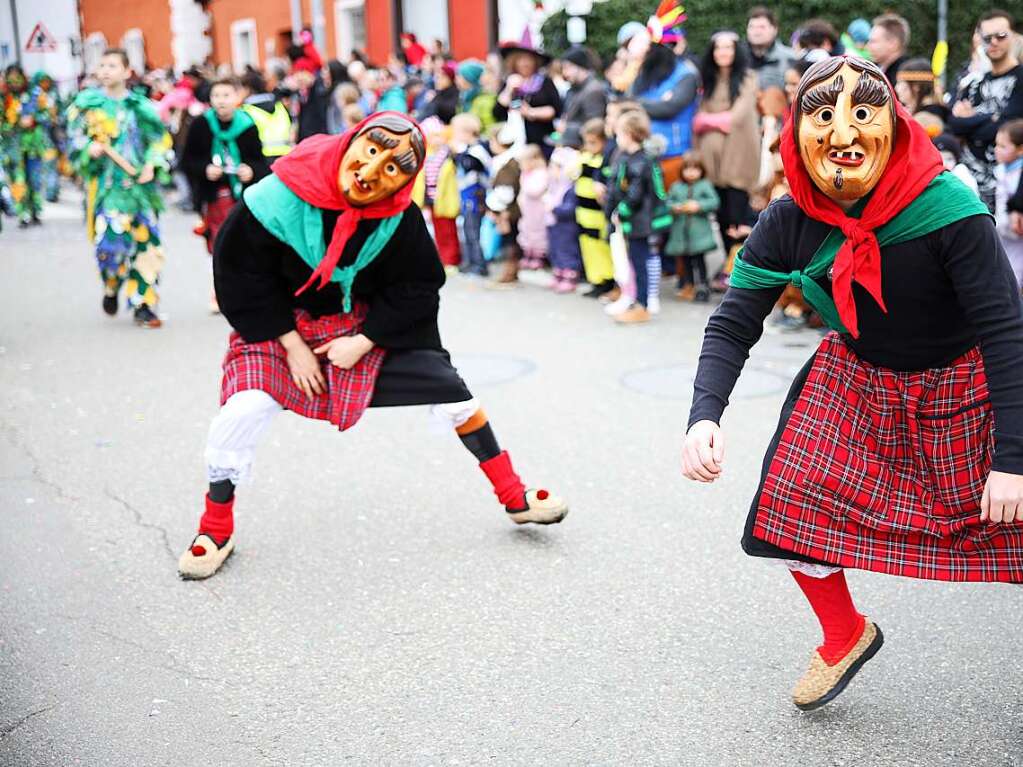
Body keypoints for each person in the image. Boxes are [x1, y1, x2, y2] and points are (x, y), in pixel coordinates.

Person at [685, 55, 1022, 711]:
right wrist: (703, 414)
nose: (842, 134)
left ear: (892, 124)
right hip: (860, 376)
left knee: (1012, 522)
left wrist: (1013, 458)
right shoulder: (786, 219)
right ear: (795, 133)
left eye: (863, 114)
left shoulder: (950, 209)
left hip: (966, 382)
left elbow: (1007, 333)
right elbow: (731, 323)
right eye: (822, 117)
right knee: (785, 507)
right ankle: (842, 634)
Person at [177, 112, 568, 580]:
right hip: (281, 329)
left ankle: (514, 496)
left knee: (454, 394)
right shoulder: (274, 196)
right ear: (350, 144)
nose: (367, 174)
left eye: (390, 170)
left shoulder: (398, 216)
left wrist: (362, 341)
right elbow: (239, 272)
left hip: (361, 329)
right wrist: (292, 344)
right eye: (369, 154)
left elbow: (419, 288)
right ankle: (215, 527)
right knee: (240, 411)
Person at [67, 48, 170, 328]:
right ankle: (112, 285)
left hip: (141, 191)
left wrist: (152, 164)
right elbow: (73, 143)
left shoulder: (141, 107)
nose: (106, 70)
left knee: (147, 247)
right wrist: (91, 148)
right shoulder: (88, 107)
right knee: (110, 246)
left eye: (113, 65)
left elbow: (159, 141)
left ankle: (144, 303)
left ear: (127, 72)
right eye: (102, 65)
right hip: (108, 189)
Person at [181, 77, 270, 310]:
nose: (221, 101)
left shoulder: (247, 125)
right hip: (213, 196)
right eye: (216, 96)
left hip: (242, 196)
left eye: (226, 96)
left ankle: (246, 290)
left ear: (237, 97)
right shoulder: (201, 125)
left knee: (245, 244)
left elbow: (260, 162)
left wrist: (250, 171)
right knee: (220, 244)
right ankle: (219, 292)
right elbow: (187, 160)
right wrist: (204, 169)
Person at [948, 9, 1023, 212]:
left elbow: (1010, 126)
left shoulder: (1020, 78)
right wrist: (992, 117)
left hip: (1007, 188)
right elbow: (955, 124)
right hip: (966, 185)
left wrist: (973, 118)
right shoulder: (973, 81)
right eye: (987, 37)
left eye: (1000, 36)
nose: (994, 42)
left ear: (1014, 37)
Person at [694, 30, 761, 254]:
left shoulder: (748, 78)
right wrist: (713, 121)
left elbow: (735, 118)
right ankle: (726, 264)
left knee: (737, 215)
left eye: (728, 47)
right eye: (718, 47)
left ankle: (740, 265)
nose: (722, 52)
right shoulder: (707, 80)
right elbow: (698, 119)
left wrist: (709, 121)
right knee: (720, 215)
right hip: (712, 163)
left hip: (738, 159)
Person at [606, 110, 660, 324]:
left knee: (640, 262)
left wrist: (621, 211)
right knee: (635, 261)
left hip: (639, 222)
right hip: (635, 221)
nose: (617, 138)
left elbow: (635, 194)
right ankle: (637, 301)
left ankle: (642, 305)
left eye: (619, 133)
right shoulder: (631, 158)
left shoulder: (640, 161)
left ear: (629, 134)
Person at [629, 23, 699, 188]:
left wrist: (638, 104)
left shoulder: (686, 75)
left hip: (674, 156)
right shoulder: (646, 74)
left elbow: (668, 109)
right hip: (643, 155)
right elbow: (629, 101)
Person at [665, 150, 720, 302]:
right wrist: (675, 207)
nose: (691, 173)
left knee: (699, 261)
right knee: (686, 262)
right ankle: (688, 285)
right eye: (687, 169)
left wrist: (699, 206)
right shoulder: (677, 187)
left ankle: (702, 285)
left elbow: (714, 202)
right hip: (681, 234)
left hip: (699, 234)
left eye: (695, 169)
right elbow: (668, 203)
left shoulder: (704, 185)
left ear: (701, 170)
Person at [493, 39, 562, 154]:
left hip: (540, 141)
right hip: (513, 142)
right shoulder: (508, 82)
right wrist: (509, 89)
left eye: (528, 59)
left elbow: (556, 109)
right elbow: (497, 112)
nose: (525, 63)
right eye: (520, 59)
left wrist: (530, 112)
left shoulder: (545, 82)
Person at [411, 117, 461, 272]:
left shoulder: (448, 153)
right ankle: (441, 259)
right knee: (436, 231)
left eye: (439, 136)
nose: (437, 140)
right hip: (429, 198)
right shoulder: (426, 154)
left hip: (445, 198)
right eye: (433, 136)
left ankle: (451, 260)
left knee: (448, 231)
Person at [576, 116, 616, 299]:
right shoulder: (583, 158)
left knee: (601, 248)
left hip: (597, 213)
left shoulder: (604, 163)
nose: (589, 146)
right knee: (588, 248)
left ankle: (607, 281)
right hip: (582, 212)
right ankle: (595, 280)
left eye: (593, 143)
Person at [450, 113, 491, 277]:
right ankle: (469, 261)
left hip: (476, 196)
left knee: (474, 232)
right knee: (466, 230)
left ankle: (479, 264)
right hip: (466, 196)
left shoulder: (477, 150)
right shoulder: (468, 150)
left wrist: (458, 153)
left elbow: (470, 165)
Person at [544, 141, 582, 293]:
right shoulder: (554, 186)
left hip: (566, 227)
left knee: (567, 251)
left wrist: (554, 208)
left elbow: (570, 209)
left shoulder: (570, 189)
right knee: (555, 250)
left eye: (557, 167)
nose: (552, 170)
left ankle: (570, 276)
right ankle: (558, 273)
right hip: (554, 225)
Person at [995, 118, 1023, 292]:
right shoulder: (1001, 170)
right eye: (996, 145)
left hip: (1017, 236)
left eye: (1003, 146)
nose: (997, 150)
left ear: (1020, 150)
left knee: (1014, 278)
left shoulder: (1019, 173)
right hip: (1004, 233)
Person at [557, 47, 607, 141]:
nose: (565, 73)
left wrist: (567, 128)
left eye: (568, 67)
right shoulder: (574, 89)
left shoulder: (593, 90)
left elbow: (595, 127)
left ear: (580, 66)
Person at [515, 144, 549, 270]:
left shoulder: (541, 173)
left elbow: (535, 190)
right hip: (527, 210)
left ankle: (538, 257)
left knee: (538, 233)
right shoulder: (526, 174)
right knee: (526, 231)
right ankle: (528, 254)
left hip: (537, 210)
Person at [745, 6, 794, 90]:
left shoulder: (790, 58)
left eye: (762, 27)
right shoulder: (737, 58)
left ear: (775, 29)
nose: (756, 32)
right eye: (752, 27)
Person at [895, 58, 948, 132]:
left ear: (916, 86)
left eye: (900, 82)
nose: (896, 88)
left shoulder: (925, 119)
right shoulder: (935, 112)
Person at [867, 14, 910, 85]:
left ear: (893, 44)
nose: (868, 46)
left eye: (873, 41)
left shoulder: (907, 76)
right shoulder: (872, 69)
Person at [455, 60, 496, 134]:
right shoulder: (464, 98)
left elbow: (490, 129)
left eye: (459, 76)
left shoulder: (485, 100)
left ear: (469, 78)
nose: (456, 80)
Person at [418, 60, 459, 124]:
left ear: (450, 79)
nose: (437, 81)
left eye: (441, 78)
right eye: (437, 78)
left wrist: (435, 101)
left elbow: (450, 112)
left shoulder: (455, 93)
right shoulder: (439, 92)